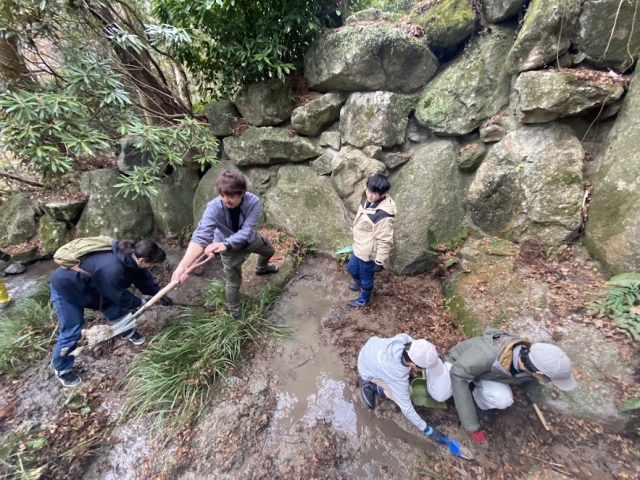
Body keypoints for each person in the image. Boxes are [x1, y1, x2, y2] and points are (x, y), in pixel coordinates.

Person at [50, 239, 171, 387]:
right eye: (151, 264)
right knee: (72, 330)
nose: (151, 267)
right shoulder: (112, 269)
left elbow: (142, 278)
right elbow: (120, 296)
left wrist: (158, 293)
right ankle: (62, 369)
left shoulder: (130, 257)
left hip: (94, 287)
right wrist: (141, 303)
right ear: (142, 260)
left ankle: (127, 332)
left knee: (114, 309)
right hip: (66, 289)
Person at [429, 329, 577, 447]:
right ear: (539, 373)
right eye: (549, 379)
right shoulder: (487, 355)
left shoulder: (531, 357)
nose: (548, 382)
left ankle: (478, 397)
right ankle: (435, 365)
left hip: (487, 375)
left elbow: (530, 379)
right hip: (460, 364)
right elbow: (458, 375)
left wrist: (534, 398)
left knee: (504, 399)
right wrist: (471, 426)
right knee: (440, 394)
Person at [171, 170, 277, 320]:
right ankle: (236, 314)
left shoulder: (253, 201)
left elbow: (247, 231)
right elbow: (200, 236)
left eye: (231, 196)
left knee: (269, 251)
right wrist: (183, 266)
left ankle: (261, 269)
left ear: (242, 193)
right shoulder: (213, 208)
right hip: (229, 251)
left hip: (248, 240)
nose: (226, 200)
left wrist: (226, 243)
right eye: (223, 195)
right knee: (233, 284)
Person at [357, 334, 451, 441]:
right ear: (412, 364)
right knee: (409, 392)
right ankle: (374, 386)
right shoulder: (397, 376)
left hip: (371, 347)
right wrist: (427, 430)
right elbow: (406, 408)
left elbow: (422, 350)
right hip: (367, 369)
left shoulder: (404, 340)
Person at [347, 173, 396, 307]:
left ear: (383, 194)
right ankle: (360, 285)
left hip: (368, 253)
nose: (370, 195)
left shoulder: (383, 215)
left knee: (366, 277)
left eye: (374, 193)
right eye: (368, 190)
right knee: (351, 268)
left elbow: (385, 240)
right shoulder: (368, 201)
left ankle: (364, 299)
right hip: (359, 246)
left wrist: (379, 261)